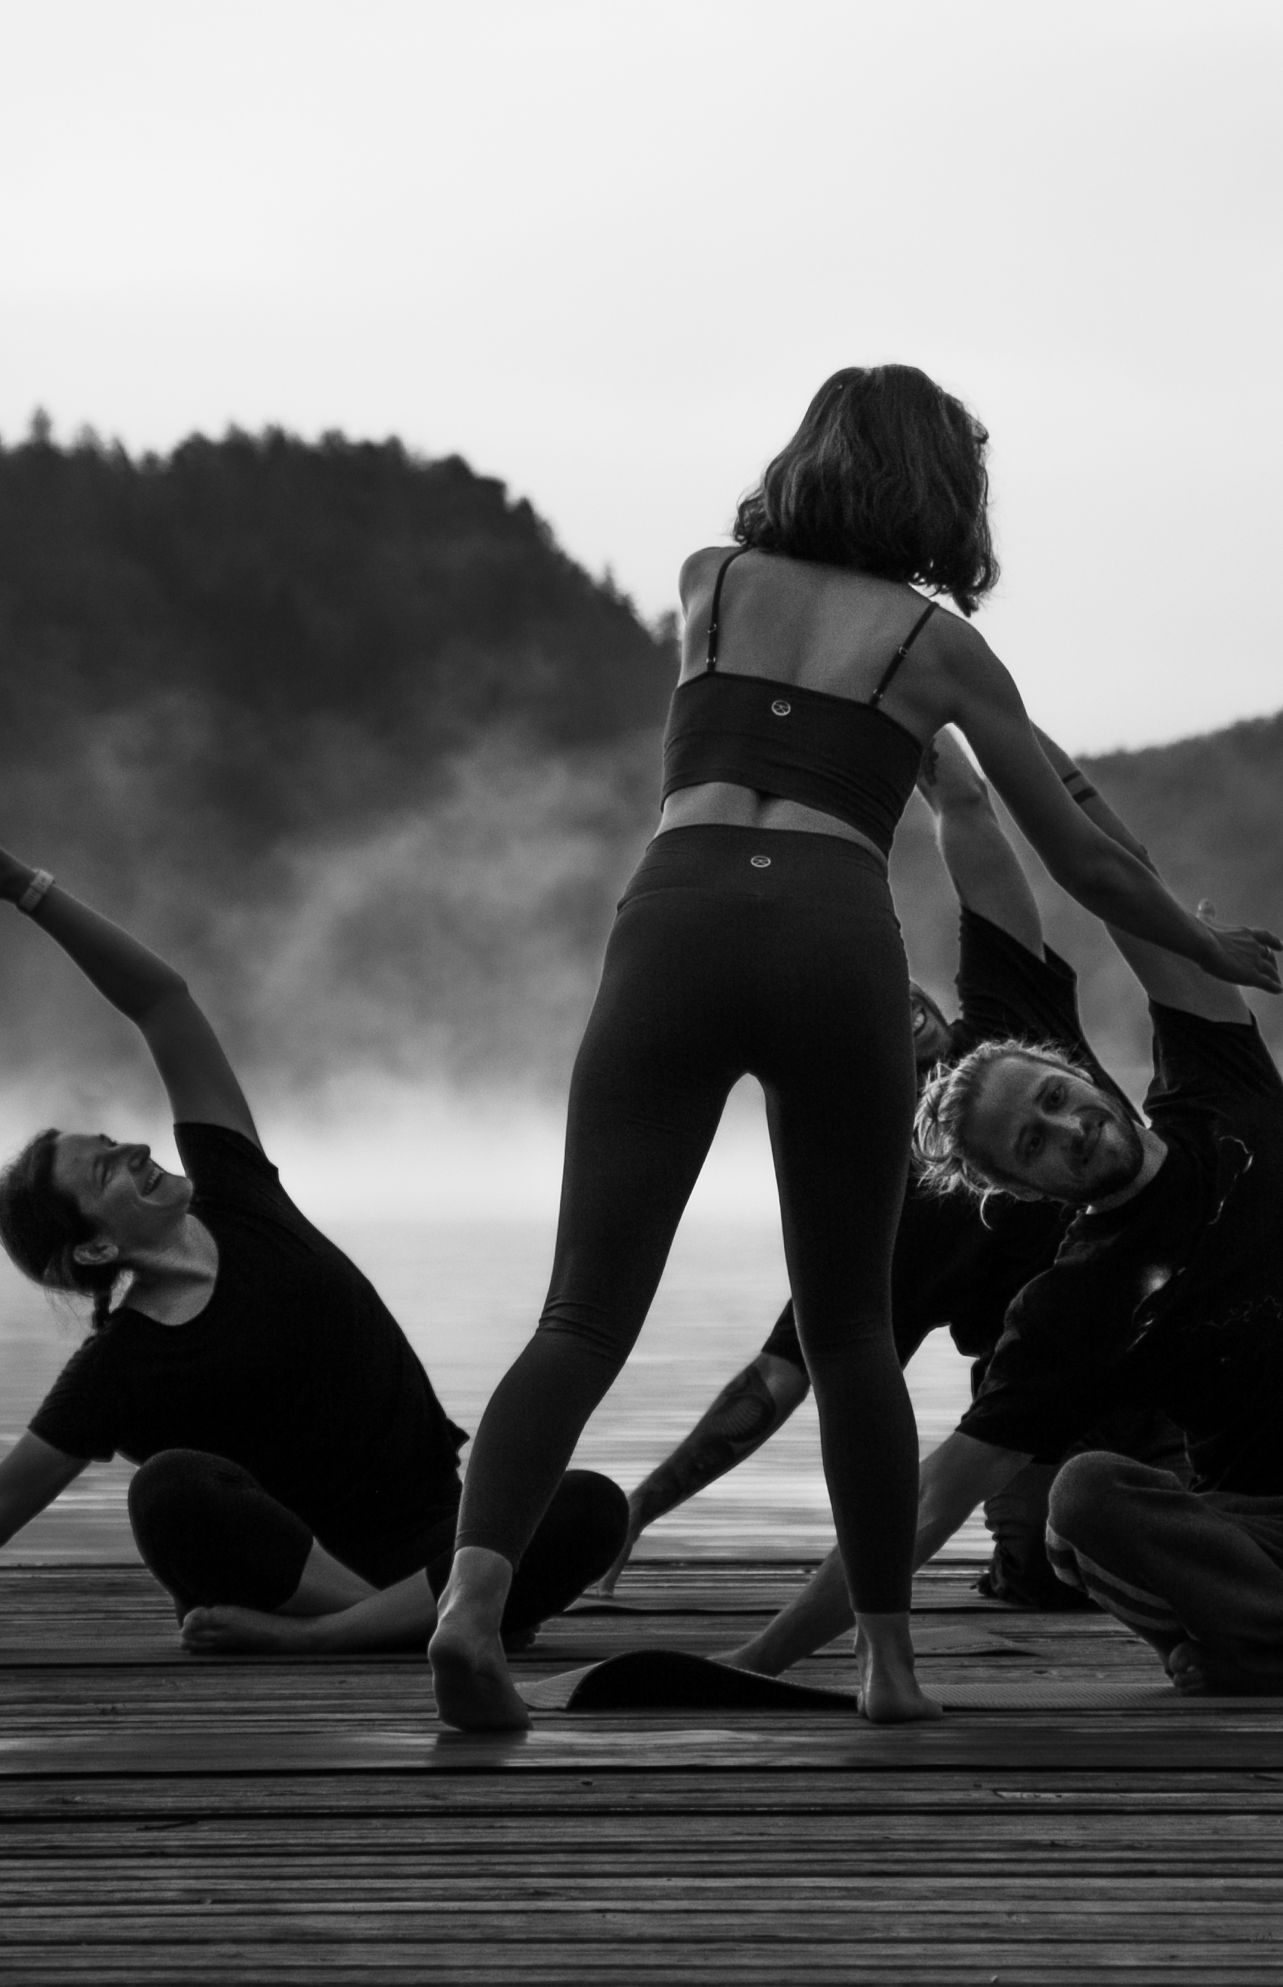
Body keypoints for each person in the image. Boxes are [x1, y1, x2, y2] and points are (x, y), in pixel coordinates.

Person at [427, 362, 1279, 1732]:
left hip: (675, 919)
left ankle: (470, 1611)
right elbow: (1074, 854)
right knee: (848, 1329)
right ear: (947, 492)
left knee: (580, 1316)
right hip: (829, 932)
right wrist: (1206, 943)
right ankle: (886, 1664)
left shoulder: (707, 582)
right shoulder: (939, 647)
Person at [720, 748, 1283, 1688]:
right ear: (1020, 1188)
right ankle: (1254, 1631)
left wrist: (993, 723)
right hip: (1258, 1523)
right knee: (1082, 1502)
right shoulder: (1076, 1299)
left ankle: (1248, 1649)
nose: (1069, 1127)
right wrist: (760, 1657)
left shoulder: (1220, 1082)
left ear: (1074, 1071)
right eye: (1032, 1142)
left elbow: (1115, 866)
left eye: (1056, 1097)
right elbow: (927, 1501)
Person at [590, 729, 1183, 1608]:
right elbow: (777, 1378)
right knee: (1065, 1550)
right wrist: (642, 1507)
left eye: (882, 967)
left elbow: (966, 808)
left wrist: (903, 697)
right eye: (847, 992)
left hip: (1191, 1380)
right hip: (1043, 1443)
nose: (889, 992)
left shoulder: (1013, 1025)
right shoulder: (875, 1206)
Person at [0, 847, 626, 1655]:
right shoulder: (114, 1369)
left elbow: (161, 1003)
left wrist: (24, 887)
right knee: (168, 1488)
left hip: (430, 1545)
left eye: (115, 1139)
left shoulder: (237, 1188)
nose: (135, 1149)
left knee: (590, 1504)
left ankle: (346, 1632)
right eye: (105, 1168)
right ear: (93, 1246)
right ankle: (417, 1618)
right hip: (291, 1573)